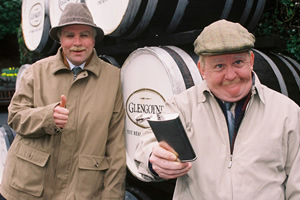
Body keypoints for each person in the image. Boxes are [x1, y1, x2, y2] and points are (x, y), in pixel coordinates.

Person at [134, 19, 300, 199]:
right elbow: (146, 145)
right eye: (219, 66)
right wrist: (154, 160)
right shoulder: (182, 106)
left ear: (250, 60)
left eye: (238, 62)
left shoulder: (287, 112)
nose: (230, 75)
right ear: (202, 69)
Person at [0, 3, 126, 200]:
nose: (77, 42)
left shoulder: (113, 78)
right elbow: (15, 116)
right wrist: (47, 117)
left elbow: (115, 146)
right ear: (60, 39)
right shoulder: (36, 71)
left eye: (84, 35)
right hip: (29, 187)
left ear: (93, 39)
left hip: (81, 190)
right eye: (69, 35)